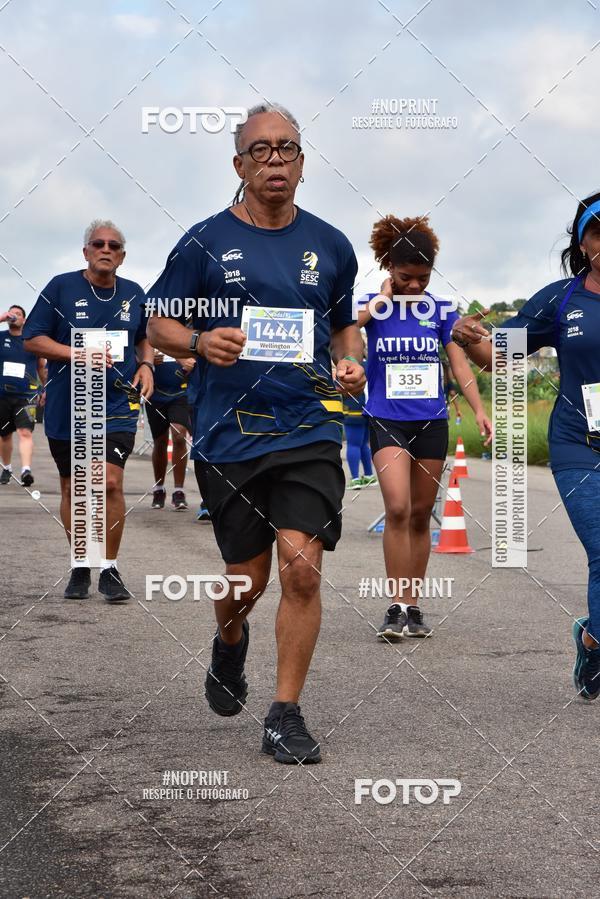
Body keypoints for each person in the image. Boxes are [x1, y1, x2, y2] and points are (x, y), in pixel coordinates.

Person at [147, 102, 365, 764]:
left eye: (288, 148)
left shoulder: (331, 245)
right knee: (247, 578)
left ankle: (285, 712)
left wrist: (350, 361)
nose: (275, 160)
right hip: (229, 434)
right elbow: (157, 324)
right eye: (261, 150)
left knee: (302, 569)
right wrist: (198, 337)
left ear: (304, 162)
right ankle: (229, 638)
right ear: (239, 164)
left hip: (309, 427)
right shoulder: (203, 242)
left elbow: (341, 326)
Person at [452, 190, 600, 700]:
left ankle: (594, 637)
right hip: (580, 445)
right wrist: (467, 335)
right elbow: (499, 355)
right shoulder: (561, 299)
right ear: (583, 243)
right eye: (598, 231)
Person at [358, 214, 492, 642]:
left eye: (423, 277)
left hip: (430, 421)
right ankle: (394, 605)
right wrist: (380, 302)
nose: (415, 286)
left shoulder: (441, 309)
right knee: (396, 508)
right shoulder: (372, 304)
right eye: (405, 276)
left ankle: (412, 607)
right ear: (388, 268)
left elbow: (458, 362)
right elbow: (345, 332)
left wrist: (478, 409)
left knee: (419, 515)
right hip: (386, 418)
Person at [23, 220, 154, 602]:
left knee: (109, 482)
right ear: (86, 251)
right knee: (74, 487)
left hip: (116, 404)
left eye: (114, 245)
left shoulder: (134, 293)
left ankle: (109, 569)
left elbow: (145, 336)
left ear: (123, 256)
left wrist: (146, 365)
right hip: (70, 403)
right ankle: (81, 561)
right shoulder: (60, 287)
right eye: (98, 243)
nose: (106, 249)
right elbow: (33, 338)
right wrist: (78, 354)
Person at [0, 305, 46, 486]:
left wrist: (45, 388)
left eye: (18, 314)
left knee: (25, 432)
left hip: (26, 396)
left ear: (25, 320)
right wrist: (1, 318)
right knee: (4, 435)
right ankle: (7, 468)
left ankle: (26, 470)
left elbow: (41, 367)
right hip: (2, 395)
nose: (14, 316)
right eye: (11, 313)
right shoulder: (1, 337)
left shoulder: (31, 341)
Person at [147, 349, 195, 510]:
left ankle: (178, 491)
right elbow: (134, 352)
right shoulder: (150, 329)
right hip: (155, 393)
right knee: (160, 441)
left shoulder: (186, 328)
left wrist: (187, 361)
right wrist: (147, 360)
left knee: (179, 436)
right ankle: (159, 489)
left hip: (180, 392)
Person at [343, 389, 376, 489]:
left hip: (354, 407)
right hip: (371, 407)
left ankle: (355, 479)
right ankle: (369, 475)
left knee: (353, 445)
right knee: (363, 444)